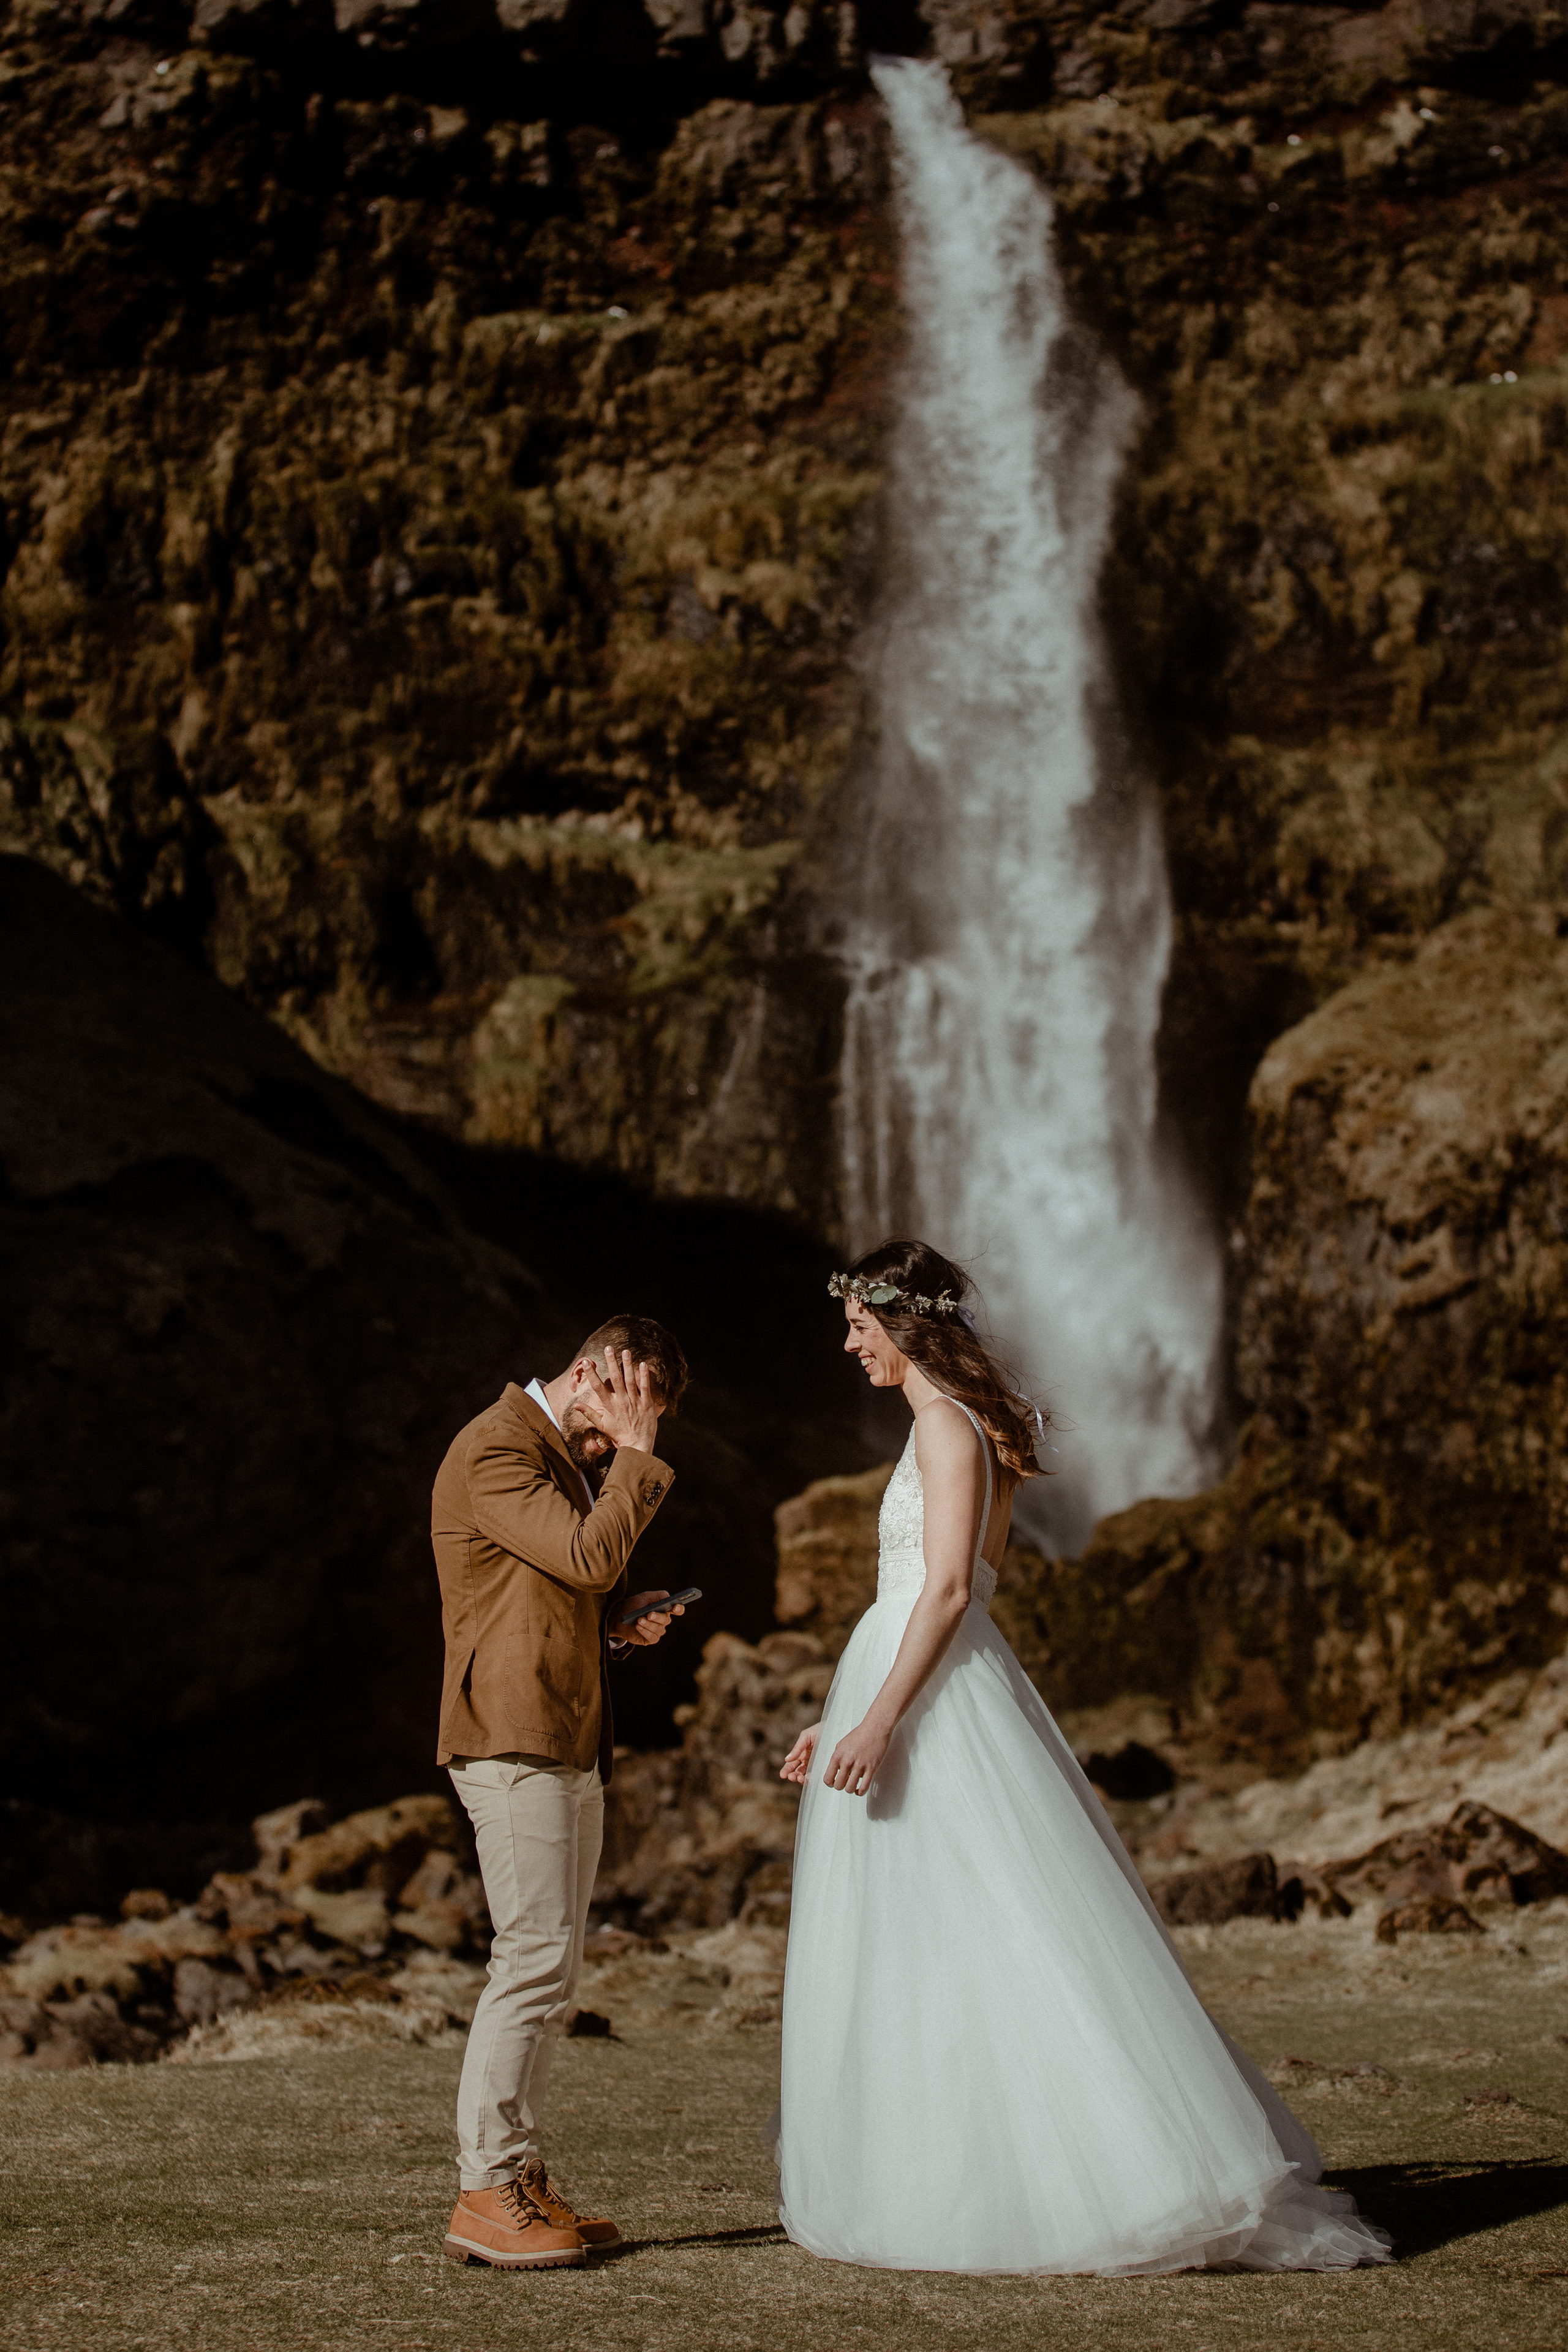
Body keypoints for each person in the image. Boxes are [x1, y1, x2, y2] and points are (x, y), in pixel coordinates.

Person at [775, 1240, 1391, 2277]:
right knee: (946, 1931)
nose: (849, 1343)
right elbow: (918, 1597)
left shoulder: (945, 1427)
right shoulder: (953, 1425)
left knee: (1000, 1926)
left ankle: (1104, 2173)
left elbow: (949, 1592)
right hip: (914, 1676)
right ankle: (975, 2161)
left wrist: (878, 1720)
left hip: (930, 1691)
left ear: (905, 1324)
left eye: (860, 1324)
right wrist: (839, 1715)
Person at [431, 1317, 688, 2271]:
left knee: (556, 1968)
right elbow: (584, 1557)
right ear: (590, 1371)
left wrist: (618, 1628)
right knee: (532, 1957)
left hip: (566, 1733)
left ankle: (520, 2175)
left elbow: (556, 1588)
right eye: (624, 1408)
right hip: (511, 1735)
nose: (618, 1435)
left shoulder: (556, 1459)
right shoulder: (496, 1446)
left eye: (644, 1417)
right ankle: (486, 2187)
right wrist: (639, 1453)